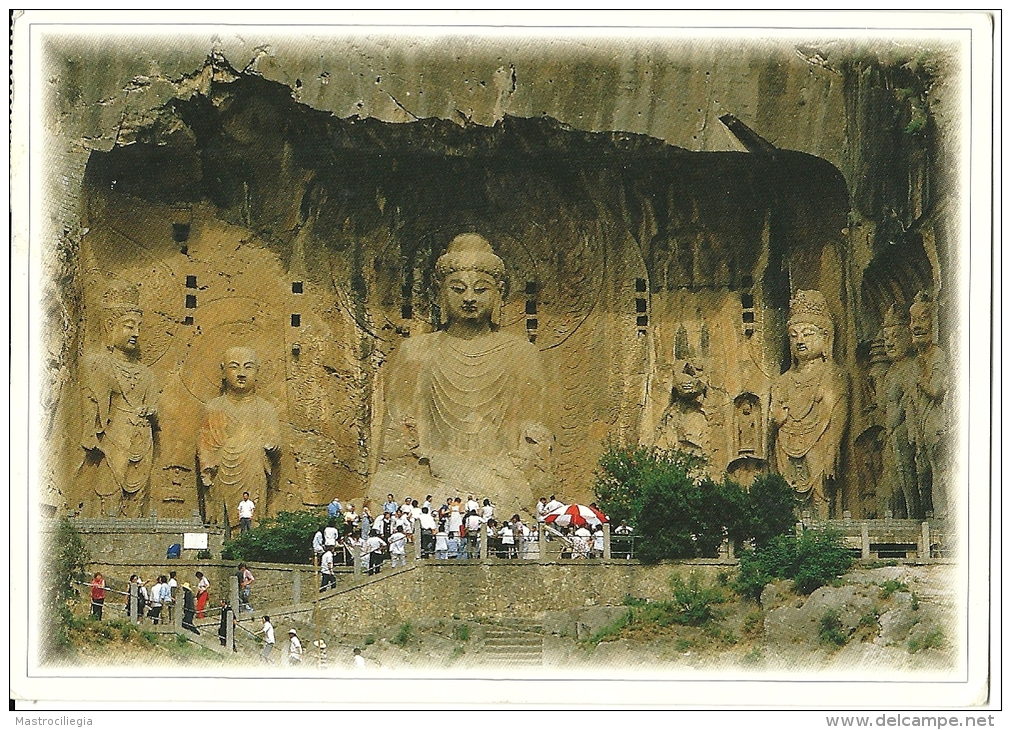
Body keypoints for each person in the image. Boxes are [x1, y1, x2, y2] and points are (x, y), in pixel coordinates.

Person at [371, 233, 553, 516]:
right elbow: (399, 438)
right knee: (389, 487)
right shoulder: (415, 351)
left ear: (499, 293)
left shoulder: (521, 353)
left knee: (508, 495)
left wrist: (515, 470)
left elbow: (533, 439)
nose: (469, 298)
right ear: (438, 293)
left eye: (481, 290)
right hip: (430, 474)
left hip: (499, 476)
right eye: (457, 289)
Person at [77, 283, 158, 517]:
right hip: (113, 437)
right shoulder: (98, 364)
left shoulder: (146, 373)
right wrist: (89, 432)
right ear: (110, 326)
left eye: (139, 328)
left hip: (142, 439)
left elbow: (154, 409)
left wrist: (150, 412)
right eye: (129, 326)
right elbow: (91, 400)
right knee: (107, 487)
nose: (135, 333)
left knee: (137, 495)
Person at [770, 290, 849, 520]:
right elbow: (775, 413)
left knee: (820, 492)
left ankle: (822, 537)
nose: (800, 341)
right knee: (786, 493)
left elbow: (839, 416)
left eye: (807, 334)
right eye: (793, 336)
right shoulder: (783, 380)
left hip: (820, 441)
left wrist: (833, 449)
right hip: (786, 441)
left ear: (825, 338)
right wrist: (776, 420)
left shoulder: (834, 375)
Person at [198, 347, 281, 529]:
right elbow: (205, 446)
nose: (241, 374)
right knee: (222, 522)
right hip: (222, 472)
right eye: (234, 367)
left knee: (253, 520)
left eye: (248, 367)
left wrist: (271, 445)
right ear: (223, 371)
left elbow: (275, 441)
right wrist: (208, 465)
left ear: (257, 371)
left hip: (253, 471)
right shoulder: (214, 407)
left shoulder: (266, 409)